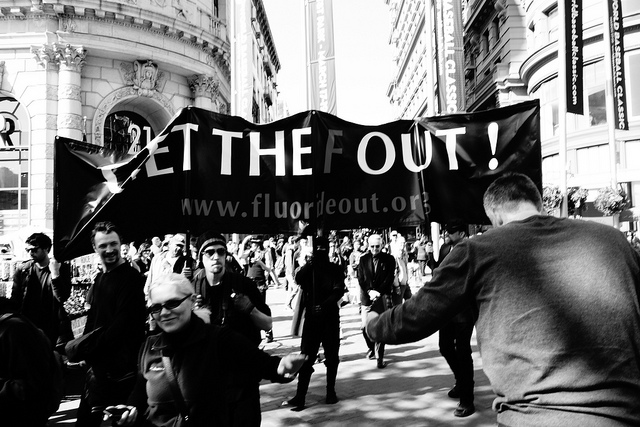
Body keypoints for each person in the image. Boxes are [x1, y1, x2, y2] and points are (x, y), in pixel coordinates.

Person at [366, 173, 640, 426]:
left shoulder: (477, 251)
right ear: (538, 203)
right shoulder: (614, 241)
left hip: (532, 416)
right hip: (624, 415)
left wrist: (373, 325)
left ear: (495, 215)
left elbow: (416, 316)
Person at [103, 273, 306, 426]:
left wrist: (283, 367)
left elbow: (265, 365)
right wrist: (128, 410)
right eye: (156, 308)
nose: (164, 313)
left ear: (191, 301)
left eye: (173, 303)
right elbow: (139, 394)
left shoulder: (219, 339)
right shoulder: (149, 346)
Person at [191, 232, 273, 426]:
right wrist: (192, 314)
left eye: (220, 252)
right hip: (207, 381)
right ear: (200, 257)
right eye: (209, 252)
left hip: (242, 379)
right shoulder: (191, 288)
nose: (215, 257)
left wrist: (249, 309)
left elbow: (267, 323)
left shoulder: (243, 284)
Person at [75, 221, 147, 427]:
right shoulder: (100, 278)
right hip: (100, 368)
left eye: (113, 243)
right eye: (103, 245)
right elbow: (94, 318)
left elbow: (121, 325)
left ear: (121, 243)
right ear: (94, 248)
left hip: (121, 371)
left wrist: (89, 350)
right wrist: (81, 346)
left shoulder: (131, 278)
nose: (109, 250)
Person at [283, 236, 345, 411]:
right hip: (311, 318)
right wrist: (309, 264)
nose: (321, 252)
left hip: (330, 317)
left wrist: (324, 306)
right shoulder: (310, 268)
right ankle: (300, 395)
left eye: (323, 249)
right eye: (318, 249)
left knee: (332, 357)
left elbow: (338, 290)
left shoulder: (335, 269)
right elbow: (299, 279)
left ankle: (330, 391)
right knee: (306, 357)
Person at [430, 222, 476, 417]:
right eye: (446, 230)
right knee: (445, 347)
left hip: (464, 309)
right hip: (447, 307)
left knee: (463, 351)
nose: (447, 233)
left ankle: (467, 398)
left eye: (452, 231)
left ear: (462, 233)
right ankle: (461, 381)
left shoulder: (471, 249)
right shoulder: (444, 247)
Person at [0, 297, 64, 427]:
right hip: (30, 408)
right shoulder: (18, 325)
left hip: (24, 412)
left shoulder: (13, 329)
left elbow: (30, 385)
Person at [10, 232, 72, 350]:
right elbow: (15, 298)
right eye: (28, 250)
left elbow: (62, 297)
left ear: (46, 249)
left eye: (34, 250)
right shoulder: (23, 270)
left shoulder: (60, 267)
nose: (30, 253)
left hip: (52, 324)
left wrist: (55, 274)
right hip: (28, 323)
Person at [357, 234, 396, 369]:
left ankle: (380, 357)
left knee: (380, 328)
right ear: (369, 246)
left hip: (382, 298)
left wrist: (378, 292)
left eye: (377, 246)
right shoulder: (363, 260)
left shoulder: (389, 259)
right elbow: (361, 278)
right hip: (367, 299)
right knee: (364, 327)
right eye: (372, 246)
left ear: (382, 245)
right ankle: (372, 348)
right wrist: (369, 291)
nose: (374, 249)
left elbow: (389, 278)